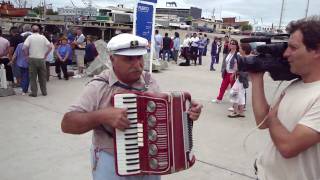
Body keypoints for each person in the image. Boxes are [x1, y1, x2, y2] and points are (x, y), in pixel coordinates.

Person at [61, 33, 203, 180]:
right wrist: (102, 116)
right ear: (112, 59)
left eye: (139, 57)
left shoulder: (149, 80)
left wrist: (186, 112)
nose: (137, 64)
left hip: (151, 161)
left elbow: (163, 117)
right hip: (111, 160)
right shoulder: (98, 87)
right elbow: (67, 124)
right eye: (128, 59)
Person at [251, 16, 320, 180]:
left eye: (293, 47)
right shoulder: (296, 84)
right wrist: (256, 77)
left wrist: (273, 117)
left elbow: (288, 147)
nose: (286, 54)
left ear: (317, 50)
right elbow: (262, 121)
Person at [23, 24, 52, 97]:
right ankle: (44, 92)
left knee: (33, 77)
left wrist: (26, 56)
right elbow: (50, 47)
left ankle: (34, 93)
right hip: (42, 59)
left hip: (32, 59)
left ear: (32, 30)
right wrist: (45, 55)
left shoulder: (30, 37)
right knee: (42, 77)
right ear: (39, 30)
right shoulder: (43, 37)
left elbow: (24, 47)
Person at [211, 39, 239, 103]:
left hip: (233, 74)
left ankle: (235, 104)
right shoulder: (229, 53)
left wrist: (234, 73)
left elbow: (238, 65)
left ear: (236, 46)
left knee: (234, 89)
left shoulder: (237, 54)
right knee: (222, 87)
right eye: (230, 43)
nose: (231, 44)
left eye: (233, 44)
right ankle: (219, 99)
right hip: (227, 72)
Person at [227, 43, 250, 118]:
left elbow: (239, 69)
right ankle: (241, 112)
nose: (239, 49)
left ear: (244, 50)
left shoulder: (244, 58)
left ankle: (235, 111)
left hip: (241, 79)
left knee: (234, 93)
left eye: (240, 48)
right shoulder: (247, 58)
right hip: (243, 79)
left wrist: (235, 73)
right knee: (241, 95)